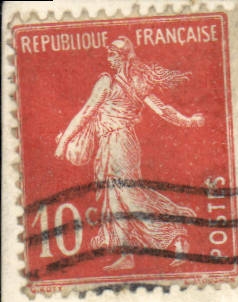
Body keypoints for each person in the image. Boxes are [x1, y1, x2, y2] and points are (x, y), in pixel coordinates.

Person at [55, 37, 205, 271]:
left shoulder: (108, 82)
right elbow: (163, 110)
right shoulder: (134, 83)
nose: (108, 57)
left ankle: (176, 236)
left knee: (131, 198)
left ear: (122, 56)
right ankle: (127, 255)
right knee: (116, 199)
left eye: (112, 54)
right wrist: (188, 122)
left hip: (118, 144)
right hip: (116, 144)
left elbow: (85, 113)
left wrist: (63, 143)